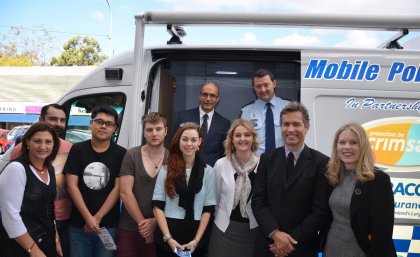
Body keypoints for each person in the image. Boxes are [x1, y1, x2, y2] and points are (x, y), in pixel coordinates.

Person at [252, 101, 330, 257]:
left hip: (301, 248)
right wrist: (275, 234)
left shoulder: (322, 163)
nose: (291, 129)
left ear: (306, 127)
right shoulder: (267, 159)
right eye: (286, 124)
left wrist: (287, 242)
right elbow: (258, 201)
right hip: (268, 246)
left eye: (296, 124)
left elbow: (319, 211)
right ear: (280, 127)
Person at [323, 122, 396, 257]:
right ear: (336, 146)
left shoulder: (378, 179)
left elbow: (382, 231)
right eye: (342, 142)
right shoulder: (331, 176)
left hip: (361, 250)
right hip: (332, 247)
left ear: (363, 147)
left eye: (353, 143)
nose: (347, 147)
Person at [11, 103, 73, 257]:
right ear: (41, 119)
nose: (57, 124)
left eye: (62, 120)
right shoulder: (20, 150)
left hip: (62, 218)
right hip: (31, 221)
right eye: (52, 119)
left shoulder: (72, 149)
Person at [64, 105, 126, 257]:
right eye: (99, 121)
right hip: (78, 225)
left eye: (109, 123)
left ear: (114, 128)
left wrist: (96, 218)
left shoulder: (120, 153)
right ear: (91, 123)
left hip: (108, 226)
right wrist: (88, 218)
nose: (103, 126)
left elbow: (118, 188)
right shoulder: (77, 150)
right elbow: (71, 186)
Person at [152, 122, 216, 257]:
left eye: (193, 140)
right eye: (185, 139)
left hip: (196, 235)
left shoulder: (208, 171)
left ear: (200, 142)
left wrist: (197, 240)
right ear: (178, 141)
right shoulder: (166, 169)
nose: (189, 144)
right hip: (168, 233)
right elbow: (157, 206)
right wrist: (168, 238)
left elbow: (208, 209)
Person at [0, 122, 62, 257]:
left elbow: (49, 210)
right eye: (37, 141)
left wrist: (56, 239)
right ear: (27, 141)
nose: (43, 146)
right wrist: (33, 251)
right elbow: (10, 216)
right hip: (21, 245)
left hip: (45, 240)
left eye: (48, 142)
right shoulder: (17, 169)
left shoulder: (49, 168)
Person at [117, 112, 169, 257]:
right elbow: (125, 193)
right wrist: (143, 225)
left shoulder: (172, 159)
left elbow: (173, 197)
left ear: (165, 131)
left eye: (158, 129)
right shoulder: (132, 155)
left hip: (160, 228)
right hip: (129, 227)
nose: (154, 133)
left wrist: (154, 222)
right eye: (149, 129)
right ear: (144, 132)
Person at [208, 119, 260, 257]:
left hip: (252, 232)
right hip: (223, 230)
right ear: (231, 139)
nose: (242, 139)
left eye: (247, 135)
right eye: (237, 135)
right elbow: (215, 199)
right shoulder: (221, 164)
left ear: (253, 138)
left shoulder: (263, 165)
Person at [174, 81, 230, 167]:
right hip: (185, 169)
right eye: (205, 94)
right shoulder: (183, 117)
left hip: (211, 172)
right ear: (199, 96)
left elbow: (224, 153)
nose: (208, 99)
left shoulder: (224, 123)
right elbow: (175, 145)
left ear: (217, 99)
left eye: (212, 95)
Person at [241, 69, 290, 156]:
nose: (263, 90)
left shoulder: (289, 107)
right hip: (257, 163)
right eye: (258, 86)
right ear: (254, 88)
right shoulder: (246, 111)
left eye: (266, 85)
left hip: (284, 162)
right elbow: (242, 141)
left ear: (274, 84)